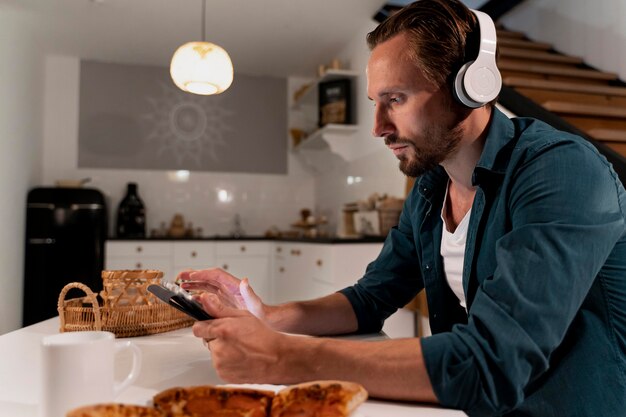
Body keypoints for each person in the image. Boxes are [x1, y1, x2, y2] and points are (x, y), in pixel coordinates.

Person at [182, 0, 626, 415]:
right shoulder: (431, 187)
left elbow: (493, 361)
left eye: (396, 99)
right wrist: (267, 316)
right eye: (377, 102)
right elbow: (371, 298)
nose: (378, 127)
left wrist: (281, 356)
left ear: (471, 87)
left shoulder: (563, 172)